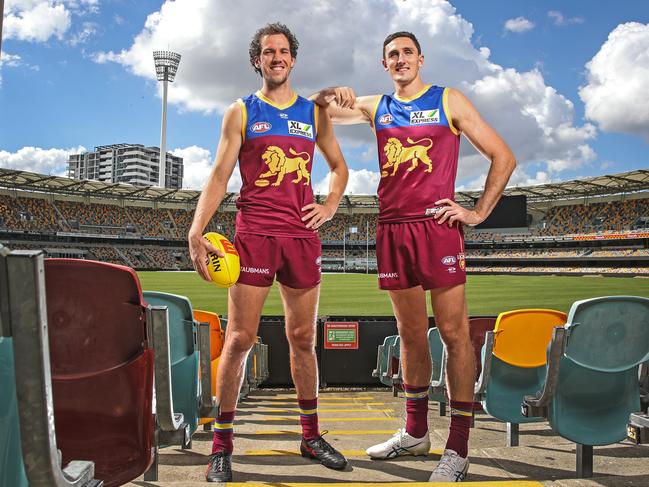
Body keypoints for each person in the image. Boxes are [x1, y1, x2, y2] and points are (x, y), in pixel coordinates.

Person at [312, 31, 516, 482]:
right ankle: (416, 432)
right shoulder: (374, 106)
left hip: (438, 228)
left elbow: (503, 155)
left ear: (420, 59)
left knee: (455, 334)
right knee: (409, 334)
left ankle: (458, 448)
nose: (400, 59)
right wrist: (330, 93)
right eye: (392, 55)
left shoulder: (450, 101)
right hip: (393, 229)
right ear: (384, 64)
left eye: (407, 52)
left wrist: (478, 212)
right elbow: (311, 109)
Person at [188, 22, 349, 482]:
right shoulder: (241, 111)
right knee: (239, 339)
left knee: (303, 338)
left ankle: (311, 436)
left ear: (293, 59)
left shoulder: (314, 112)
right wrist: (196, 230)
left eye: (282, 51)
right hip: (254, 234)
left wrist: (331, 205)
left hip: (301, 237)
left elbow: (339, 168)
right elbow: (220, 174)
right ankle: (221, 447)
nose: (276, 57)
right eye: (267, 52)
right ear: (257, 60)